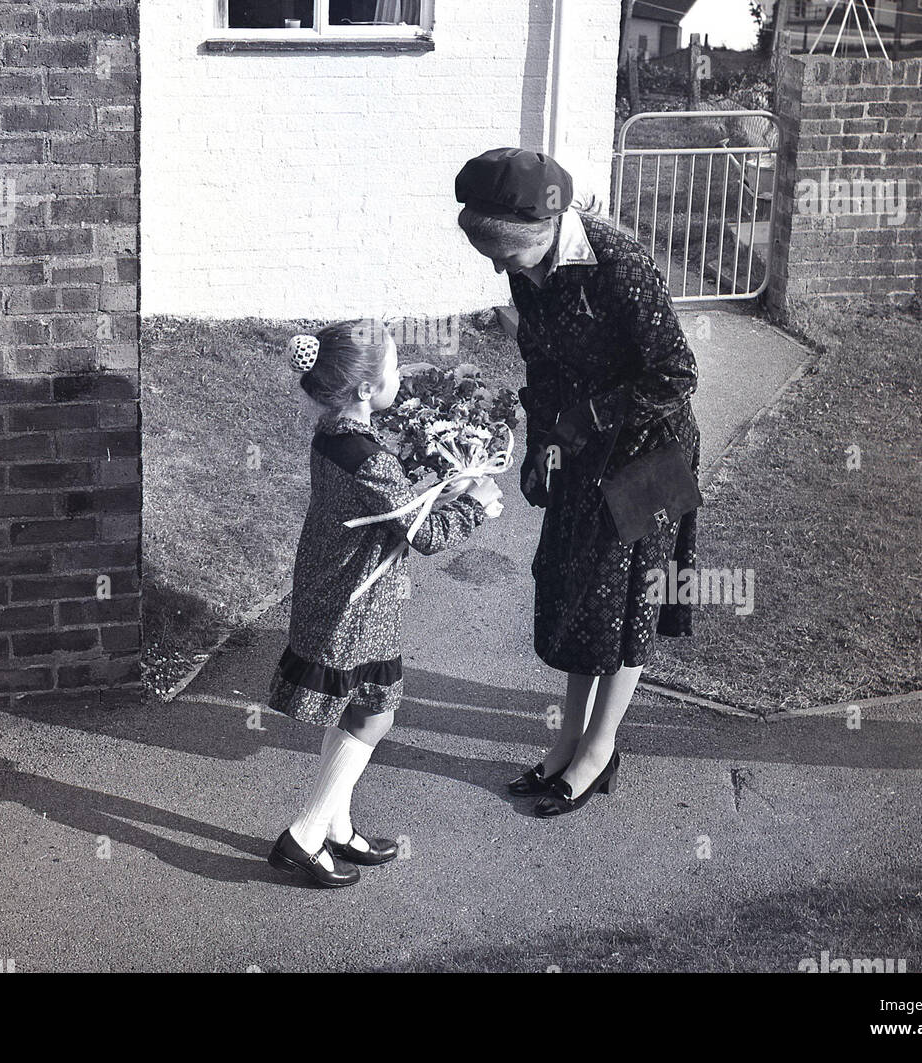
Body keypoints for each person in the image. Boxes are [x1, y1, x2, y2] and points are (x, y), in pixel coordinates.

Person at [454, 148, 700, 818]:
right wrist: (542, 448)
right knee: (581, 598)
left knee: (626, 607)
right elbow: (542, 363)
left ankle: (599, 748)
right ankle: (566, 739)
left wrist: (583, 421)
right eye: (495, 259)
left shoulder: (619, 262)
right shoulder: (530, 270)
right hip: (583, 454)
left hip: (653, 456)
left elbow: (677, 375)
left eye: (507, 254)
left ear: (540, 233)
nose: (503, 271)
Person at [266, 319, 503, 886]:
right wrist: (476, 505)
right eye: (394, 369)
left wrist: (434, 490)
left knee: (357, 708)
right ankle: (303, 835)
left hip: (337, 589)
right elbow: (423, 537)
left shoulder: (335, 434)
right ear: (366, 390)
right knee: (376, 714)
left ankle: (337, 827)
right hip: (357, 603)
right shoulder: (369, 458)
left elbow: (389, 509)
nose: (402, 376)